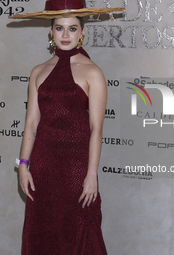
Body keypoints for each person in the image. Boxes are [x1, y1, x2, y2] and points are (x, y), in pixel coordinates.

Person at [10, 1, 124, 254]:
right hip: (42, 168)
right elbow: (31, 124)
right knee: (41, 233)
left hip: (76, 170)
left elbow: (96, 129)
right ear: (49, 31)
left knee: (77, 235)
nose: (65, 35)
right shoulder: (38, 71)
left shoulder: (93, 72)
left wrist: (91, 175)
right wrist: (23, 166)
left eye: (72, 29)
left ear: (83, 33)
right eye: (59, 28)